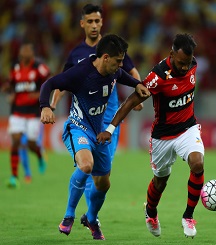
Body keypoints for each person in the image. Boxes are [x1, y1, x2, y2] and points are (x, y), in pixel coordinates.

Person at [40, 34, 150, 240]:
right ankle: (68, 215)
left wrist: (137, 84)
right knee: (86, 165)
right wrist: (45, 106)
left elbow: (124, 76)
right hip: (78, 127)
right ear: (106, 57)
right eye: (118, 61)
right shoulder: (80, 73)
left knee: (103, 183)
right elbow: (50, 84)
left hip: (99, 133)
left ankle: (91, 218)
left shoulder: (113, 72)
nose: (120, 65)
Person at [97, 33, 205, 238]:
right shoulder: (158, 77)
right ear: (171, 54)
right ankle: (151, 212)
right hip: (162, 136)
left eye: (188, 63)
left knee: (197, 164)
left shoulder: (193, 64)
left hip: (188, 129)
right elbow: (131, 100)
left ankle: (188, 216)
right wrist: (110, 129)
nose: (184, 67)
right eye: (181, 63)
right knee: (160, 181)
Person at [3, 42, 50, 188]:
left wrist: (39, 94)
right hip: (17, 110)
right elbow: (11, 84)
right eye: (24, 51)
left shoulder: (39, 67)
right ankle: (14, 176)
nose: (26, 53)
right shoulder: (15, 67)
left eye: (29, 50)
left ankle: (40, 156)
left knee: (30, 144)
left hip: (33, 112)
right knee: (16, 141)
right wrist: (9, 91)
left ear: (32, 53)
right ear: (20, 54)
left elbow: (50, 80)